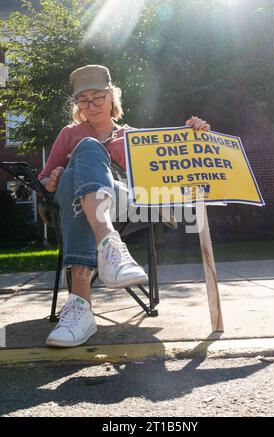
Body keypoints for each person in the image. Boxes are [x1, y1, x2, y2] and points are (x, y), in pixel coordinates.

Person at [38, 64, 211, 348]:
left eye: (98, 97)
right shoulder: (70, 133)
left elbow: (166, 165)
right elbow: (45, 177)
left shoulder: (132, 136)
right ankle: (110, 251)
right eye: (84, 100)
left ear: (111, 97)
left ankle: (80, 308)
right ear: (77, 104)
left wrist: (192, 135)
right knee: (78, 166)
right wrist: (51, 180)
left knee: (85, 156)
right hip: (75, 202)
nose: (91, 105)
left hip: (123, 202)